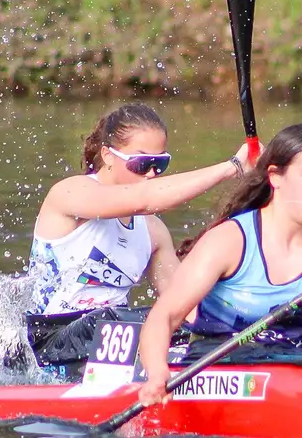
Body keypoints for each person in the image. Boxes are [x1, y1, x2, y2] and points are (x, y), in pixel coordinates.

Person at [136, 123, 302, 406]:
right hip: (216, 369)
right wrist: (156, 375)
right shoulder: (228, 242)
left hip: (292, 371)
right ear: (275, 177)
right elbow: (162, 318)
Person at [21, 102, 259, 376]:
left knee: (182, 320)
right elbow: (146, 199)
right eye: (142, 163)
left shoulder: (154, 232)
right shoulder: (71, 193)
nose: (152, 174)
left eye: (160, 164)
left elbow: (184, 305)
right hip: (47, 342)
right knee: (127, 320)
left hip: (110, 340)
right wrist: (234, 167)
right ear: (108, 156)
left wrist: (240, 322)